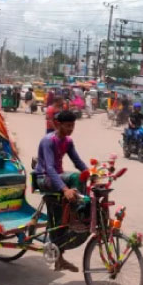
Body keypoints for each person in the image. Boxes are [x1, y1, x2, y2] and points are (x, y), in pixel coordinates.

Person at [34, 110, 89, 272]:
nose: (71, 129)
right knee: (76, 178)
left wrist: (91, 174)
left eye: (73, 126)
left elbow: (77, 161)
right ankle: (77, 214)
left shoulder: (68, 141)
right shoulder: (48, 141)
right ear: (58, 125)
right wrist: (65, 189)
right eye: (68, 126)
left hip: (56, 177)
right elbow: (49, 168)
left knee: (82, 177)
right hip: (44, 178)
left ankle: (60, 257)